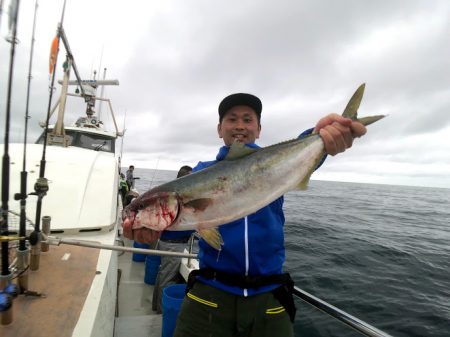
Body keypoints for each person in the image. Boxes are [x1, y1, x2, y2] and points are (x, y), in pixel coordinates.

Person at [122, 92, 367, 336]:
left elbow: (304, 151)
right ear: (219, 128)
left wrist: (322, 135)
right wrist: (152, 233)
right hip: (210, 292)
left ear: (259, 129)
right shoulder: (199, 173)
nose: (240, 125)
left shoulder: (273, 165)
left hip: (268, 295)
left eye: (248, 119)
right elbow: (179, 232)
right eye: (232, 119)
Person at [151, 165, 194, 314]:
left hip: (165, 242)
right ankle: (163, 312)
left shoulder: (171, 195)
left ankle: (156, 306)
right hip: (172, 245)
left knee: (163, 274)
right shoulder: (177, 197)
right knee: (168, 278)